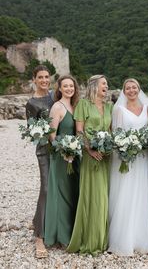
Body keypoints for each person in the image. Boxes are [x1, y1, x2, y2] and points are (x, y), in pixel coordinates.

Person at [67, 75, 113, 255]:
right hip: (90, 156)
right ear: (94, 85)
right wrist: (91, 150)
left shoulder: (110, 106)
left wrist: (111, 147)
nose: (106, 86)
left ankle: (103, 239)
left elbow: (110, 131)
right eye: (104, 83)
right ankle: (90, 239)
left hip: (106, 157)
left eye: (107, 84)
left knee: (105, 196)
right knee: (93, 196)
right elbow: (79, 131)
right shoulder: (83, 105)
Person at [108, 78, 148, 256]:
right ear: (124, 91)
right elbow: (116, 134)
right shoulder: (119, 110)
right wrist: (126, 148)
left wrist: (144, 143)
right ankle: (124, 239)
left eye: (134, 87)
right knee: (126, 193)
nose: (131, 90)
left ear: (139, 89)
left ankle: (143, 238)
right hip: (126, 159)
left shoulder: (147, 109)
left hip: (143, 158)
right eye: (128, 88)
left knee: (143, 193)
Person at [44, 75, 80, 247]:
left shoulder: (75, 106)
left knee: (73, 193)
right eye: (65, 86)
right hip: (61, 156)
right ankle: (61, 236)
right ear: (59, 88)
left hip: (75, 156)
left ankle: (73, 232)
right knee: (62, 194)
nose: (69, 89)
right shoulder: (57, 107)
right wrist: (64, 151)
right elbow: (52, 136)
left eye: (71, 86)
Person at [25, 65, 54, 258]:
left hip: (63, 150)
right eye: (40, 77)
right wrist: (49, 138)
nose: (44, 80)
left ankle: (52, 226)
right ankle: (39, 237)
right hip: (44, 150)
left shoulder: (55, 96)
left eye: (46, 77)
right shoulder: (32, 103)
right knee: (45, 189)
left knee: (61, 187)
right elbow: (32, 133)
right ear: (34, 79)